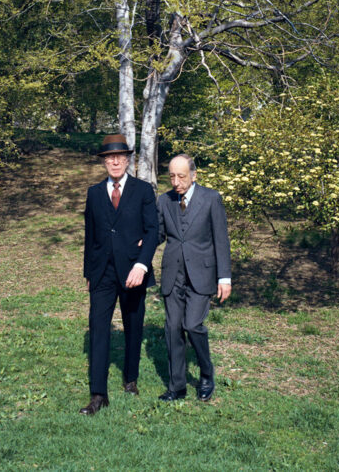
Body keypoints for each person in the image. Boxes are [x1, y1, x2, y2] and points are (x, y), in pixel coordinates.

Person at [80, 134, 158, 415]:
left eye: (119, 157)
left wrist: (142, 265)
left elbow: (153, 231)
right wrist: (89, 272)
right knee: (98, 328)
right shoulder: (94, 193)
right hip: (102, 273)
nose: (114, 162)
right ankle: (98, 394)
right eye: (109, 158)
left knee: (133, 325)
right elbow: (90, 235)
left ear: (127, 160)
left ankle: (130, 378)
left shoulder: (143, 190)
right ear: (104, 162)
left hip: (133, 271)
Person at [157, 154, 232, 402]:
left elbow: (221, 240)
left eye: (181, 176)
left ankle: (206, 374)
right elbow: (157, 234)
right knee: (173, 329)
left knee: (192, 325)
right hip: (173, 274)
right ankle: (177, 386)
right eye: (172, 177)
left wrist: (224, 278)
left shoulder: (211, 199)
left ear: (194, 175)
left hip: (202, 275)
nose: (176, 182)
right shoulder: (164, 201)